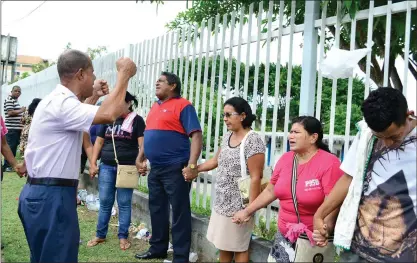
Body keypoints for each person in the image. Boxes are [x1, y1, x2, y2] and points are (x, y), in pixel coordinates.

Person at [17, 49, 137, 263]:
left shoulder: (57, 101)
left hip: (45, 192)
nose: (93, 79)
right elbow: (110, 113)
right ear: (81, 74)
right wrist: (124, 74)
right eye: (91, 73)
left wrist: (94, 96)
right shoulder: (62, 103)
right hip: (52, 196)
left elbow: (78, 115)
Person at [313, 87, 416, 262]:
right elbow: (348, 178)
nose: (388, 143)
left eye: (394, 136)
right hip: (357, 251)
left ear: (409, 115)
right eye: (381, 137)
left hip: (402, 255)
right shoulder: (367, 136)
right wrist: (320, 214)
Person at [232, 116, 343, 262]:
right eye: (290, 132)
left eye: (297, 132)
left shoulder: (329, 163)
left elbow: (334, 200)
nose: (291, 136)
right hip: (284, 236)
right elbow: (270, 191)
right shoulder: (286, 159)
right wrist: (247, 211)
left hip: (312, 240)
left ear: (313, 137)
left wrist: (325, 228)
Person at [135, 72, 203, 262]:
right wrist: (140, 157)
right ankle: (158, 248)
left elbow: (196, 136)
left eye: (161, 81)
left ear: (173, 86)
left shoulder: (184, 106)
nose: (156, 82)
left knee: (179, 212)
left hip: (176, 168)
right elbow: (149, 134)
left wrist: (192, 165)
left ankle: (180, 256)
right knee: (156, 209)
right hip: (155, 168)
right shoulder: (155, 106)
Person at [196, 97, 265, 263]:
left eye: (228, 115)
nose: (225, 119)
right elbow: (215, 161)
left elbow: (256, 177)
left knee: (239, 246)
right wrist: (194, 169)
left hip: (240, 204)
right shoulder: (227, 136)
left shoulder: (253, 140)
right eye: (223, 115)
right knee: (224, 244)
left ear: (242, 116)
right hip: (222, 202)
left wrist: (249, 209)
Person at [87, 91, 145, 250]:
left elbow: (143, 144)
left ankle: (123, 237)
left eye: (120, 102)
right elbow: (98, 143)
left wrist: (141, 161)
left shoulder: (137, 121)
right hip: (106, 166)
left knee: (124, 203)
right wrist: (93, 163)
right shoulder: (107, 119)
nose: (116, 105)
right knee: (105, 201)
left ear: (129, 103)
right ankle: (100, 234)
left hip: (127, 168)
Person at [3, 85, 25, 172]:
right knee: (10, 146)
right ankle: (7, 166)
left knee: (14, 146)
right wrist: (21, 110)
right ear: (11, 91)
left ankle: (10, 165)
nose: (17, 93)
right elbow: (10, 112)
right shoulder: (9, 100)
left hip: (16, 128)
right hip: (11, 128)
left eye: (19, 91)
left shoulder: (15, 101)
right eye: (16, 91)